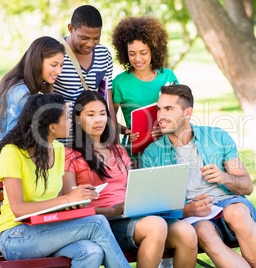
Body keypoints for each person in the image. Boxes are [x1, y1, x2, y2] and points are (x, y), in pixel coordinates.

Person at [141, 84, 256, 268]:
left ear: (187, 112)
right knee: (203, 232)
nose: (161, 116)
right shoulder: (152, 155)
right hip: (194, 216)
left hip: (228, 203)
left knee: (238, 212)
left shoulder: (217, 137)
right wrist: (187, 210)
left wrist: (224, 177)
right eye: (159, 109)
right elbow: (153, 207)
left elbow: (247, 186)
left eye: (169, 109)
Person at [63, 90, 197, 268]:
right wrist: (112, 211)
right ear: (78, 119)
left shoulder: (119, 151)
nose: (99, 120)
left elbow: (135, 188)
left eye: (103, 114)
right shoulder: (70, 156)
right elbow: (72, 207)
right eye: (91, 114)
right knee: (156, 226)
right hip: (103, 223)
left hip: (133, 216)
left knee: (186, 232)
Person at [0, 94, 130, 268]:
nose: (71, 121)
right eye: (67, 117)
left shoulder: (59, 150)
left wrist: (75, 201)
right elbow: (19, 210)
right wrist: (68, 198)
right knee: (97, 223)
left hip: (49, 229)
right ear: (52, 127)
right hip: (16, 236)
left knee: (91, 252)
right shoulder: (12, 152)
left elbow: (56, 201)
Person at [0, 36, 65, 172]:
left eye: (61, 65)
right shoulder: (21, 92)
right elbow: (18, 138)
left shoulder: (17, 83)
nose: (59, 71)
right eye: (54, 65)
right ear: (37, 61)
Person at [111, 16, 178, 163]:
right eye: (132, 54)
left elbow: (179, 112)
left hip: (167, 149)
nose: (137, 59)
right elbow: (109, 118)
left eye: (143, 52)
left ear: (153, 50)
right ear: (124, 52)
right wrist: (125, 131)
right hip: (135, 154)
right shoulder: (119, 83)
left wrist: (167, 128)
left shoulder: (168, 76)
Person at [54, 5, 117, 145]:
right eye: (84, 38)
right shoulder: (54, 54)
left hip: (93, 142)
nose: (90, 44)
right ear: (71, 29)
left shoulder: (104, 55)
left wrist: (114, 139)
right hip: (63, 142)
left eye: (96, 38)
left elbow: (107, 99)